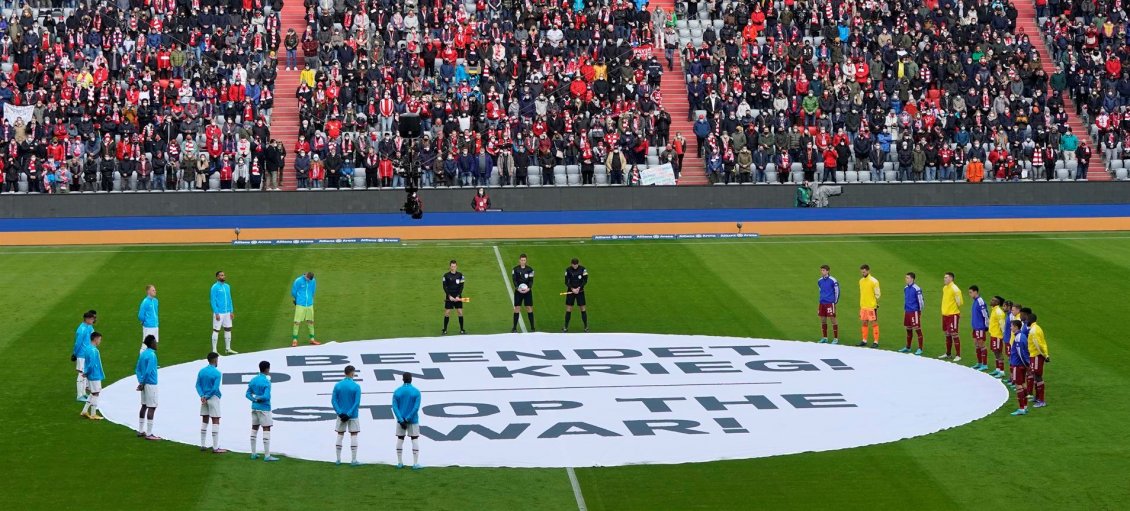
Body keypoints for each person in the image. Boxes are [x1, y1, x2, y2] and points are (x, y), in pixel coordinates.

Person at [247, 360, 278, 461]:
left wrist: (254, 399)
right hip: (264, 408)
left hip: (254, 408)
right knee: (266, 429)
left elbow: (247, 394)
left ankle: (253, 453)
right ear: (267, 369)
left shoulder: (253, 380)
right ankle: (267, 455)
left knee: (254, 428)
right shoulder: (267, 382)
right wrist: (259, 399)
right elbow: (266, 396)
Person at [195, 352, 227, 453]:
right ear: (215, 360)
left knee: (205, 420)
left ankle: (203, 444)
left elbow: (197, 385)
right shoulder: (217, 373)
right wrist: (208, 396)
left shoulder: (201, 371)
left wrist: (202, 396)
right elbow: (215, 388)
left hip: (204, 398)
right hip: (213, 398)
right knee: (215, 420)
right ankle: (215, 447)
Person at [332, 365, 363, 466]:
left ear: (344, 373)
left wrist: (340, 412)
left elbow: (333, 401)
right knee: (353, 435)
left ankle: (338, 459)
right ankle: (353, 460)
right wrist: (349, 413)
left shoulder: (338, 385)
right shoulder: (356, 386)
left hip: (341, 415)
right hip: (353, 415)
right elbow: (356, 402)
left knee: (340, 434)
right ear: (352, 373)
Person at [392, 373, 422, 470]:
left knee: (400, 438)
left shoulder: (397, 391)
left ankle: (400, 462)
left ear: (402, 379)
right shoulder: (416, 392)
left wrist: (401, 420)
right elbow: (416, 408)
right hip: (413, 420)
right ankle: (415, 463)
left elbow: (395, 407)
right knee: (414, 439)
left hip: (401, 420)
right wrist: (408, 418)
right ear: (411, 379)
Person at [135, 335, 161, 440]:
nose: (156, 344)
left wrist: (141, 382)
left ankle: (141, 430)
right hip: (151, 384)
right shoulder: (152, 355)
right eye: (155, 342)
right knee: (152, 407)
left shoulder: (143, 354)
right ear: (151, 343)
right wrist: (143, 382)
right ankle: (149, 434)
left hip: (144, 384)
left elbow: (137, 369)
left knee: (144, 405)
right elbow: (148, 371)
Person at [1024, 309, 1049, 408]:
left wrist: (1045, 355)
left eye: (1027, 320)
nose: (1026, 322)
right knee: (1035, 375)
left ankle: (1041, 400)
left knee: (1038, 376)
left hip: (1037, 355)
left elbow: (1039, 345)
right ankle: (1037, 397)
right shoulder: (1036, 328)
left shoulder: (1034, 331)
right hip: (1035, 355)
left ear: (1031, 320)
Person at [80, 332, 106, 420]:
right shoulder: (94, 350)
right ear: (95, 339)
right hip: (94, 374)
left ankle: (84, 411)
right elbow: (91, 364)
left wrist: (86, 372)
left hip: (91, 374)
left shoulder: (87, 348)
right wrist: (86, 372)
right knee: (96, 393)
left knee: (92, 393)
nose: (100, 341)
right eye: (99, 339)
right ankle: (93, 413)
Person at [938, 272, 963, 361]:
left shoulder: (955, 289)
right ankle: (948, 353)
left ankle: (958, 355)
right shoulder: (945, 288)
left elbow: (960, 302)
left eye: (946, 277)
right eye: (944, 277)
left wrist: (953, 309)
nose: (944, 279)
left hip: (953, 315)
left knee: (954, 334)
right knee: (947, 334)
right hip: (945, 314)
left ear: (951, 278)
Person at [210, 271, 237, 354]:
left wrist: (231, 311)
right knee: (216, 330)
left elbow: (230, 299)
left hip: (227, 312)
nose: (223, 276)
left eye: (224, 275)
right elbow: (213, 301)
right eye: (221, 275)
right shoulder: (214, 287)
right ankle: (214, 350)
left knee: (228, 329)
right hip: (219, 313)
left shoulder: (227, 286)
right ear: (217, 277)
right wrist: (216, 312)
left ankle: (228, 349)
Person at [73, 310, 97, 402]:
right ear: (86, 319)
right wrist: (75, 354)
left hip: (87, 354)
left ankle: (83, 393)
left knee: (85, 374)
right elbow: (77, 343)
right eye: (91, 319)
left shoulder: (89, 326)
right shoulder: (81, 329)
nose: (93, 320)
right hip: (81, 355)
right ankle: (79, 395)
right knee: (81, 374)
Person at [1008, 319, 1030, 416]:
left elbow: (1021, 353)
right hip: (1022, 365)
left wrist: (1026, 364)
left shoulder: (1018, 338)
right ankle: (1025, 407)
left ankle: (1021, 408)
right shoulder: (1023, 336)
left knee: (1018, 385)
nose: (1010, 327)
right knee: (1023, 383)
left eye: (1012, 326)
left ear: (1016, 327)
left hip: (1018, 364)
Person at [291, 272, 319, 347]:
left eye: (310, 280)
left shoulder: (313, 280)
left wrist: (310, 299)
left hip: (309, 304)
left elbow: (313, 290)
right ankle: (294, 340)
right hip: (300, 304)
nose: (309, 281)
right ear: (306, 276)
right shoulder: (298, 280)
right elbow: (293, 292)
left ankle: (312, 339)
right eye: (308, 280)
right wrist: (298, 300)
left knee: (311, 322)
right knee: (297, 322)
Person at [900, 273, 925, 355]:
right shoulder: (905, 288)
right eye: (906, 277)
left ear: (912, 279)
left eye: (907, 278)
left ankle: (920, 348)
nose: (906, 279)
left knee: (917, 329)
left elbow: (921, 301)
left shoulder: (917, 289)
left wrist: (919, 311)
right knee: (908, 329)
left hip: (914, 312)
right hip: (907, 311)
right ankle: (908, 347)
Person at [563, 258, 589, 332]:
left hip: (580, 292)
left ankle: (586, 326)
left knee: (582, 308)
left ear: (578, 263)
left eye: (576, 265)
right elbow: (566, 282)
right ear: (571, 264)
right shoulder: (568, 270)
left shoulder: (583, 269)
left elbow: (585, 280)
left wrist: (579, 288)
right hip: (571, 292)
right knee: (569, 309)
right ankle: (565, 327)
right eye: (573, 265)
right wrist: (572, 289)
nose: (575, 266)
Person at [857, 264, 880, 348]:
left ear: (868, 271)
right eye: (861, 272)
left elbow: (878, 294)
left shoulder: (874, 281)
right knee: (864, 322)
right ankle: (864, 340)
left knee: (874, 323)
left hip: (871, 306)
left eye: (864, 272)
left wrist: (876, 304)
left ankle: (876, 341)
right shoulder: (861, 281)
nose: (863, 273)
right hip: (863, 306)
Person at [512, 253, 536, 332]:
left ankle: (532, 327)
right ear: (519, 260)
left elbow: (531, 280)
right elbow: (514, 280)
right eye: (521, 260)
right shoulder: (515, 269)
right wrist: (517, 288)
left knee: (529, 308)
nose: (523, 261)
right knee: (517, 308)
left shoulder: (530, 269)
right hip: (518, 291)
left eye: (524, 260)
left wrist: (529, 288)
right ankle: (514, 328)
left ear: (526, 261)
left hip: (527, 291)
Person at [816, 265, 839, 344]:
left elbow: (837, 291)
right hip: (822, 303)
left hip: (830, 303)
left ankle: (836, 338)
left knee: (833, 319)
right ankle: (825, 338)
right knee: (823, 320)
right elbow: (820, 290)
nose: (822, 272)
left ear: (827, 271)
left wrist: (834, 302)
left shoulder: (833, 280)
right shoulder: (819, 281)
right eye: (821, 270)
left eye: (823, 270)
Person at [442, 260, 466, 335]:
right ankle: (444, 330)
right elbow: (444, 287)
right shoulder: (445, 276)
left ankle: (462, 329)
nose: (453, 268)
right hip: (449, 297)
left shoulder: (461, 275)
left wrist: (458, 296)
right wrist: (450, 296)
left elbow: (462, 286)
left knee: (460, 312)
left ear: (456, 266)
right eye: (452, 266)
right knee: (447, 313)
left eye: (454, 266)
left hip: (458, 297)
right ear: (450, 266)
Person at [969, 286, 990, 371]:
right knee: (976, 345)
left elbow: (985, 314)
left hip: (980, 327)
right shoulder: (975, 301)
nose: (969, 294)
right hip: (975, 327)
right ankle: (979, 363)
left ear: (975, 292)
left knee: (981, 345)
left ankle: (985, 364)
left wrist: (986, 326)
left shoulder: (980, 301)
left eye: (970, 292)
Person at [987, 296, 1008, 378]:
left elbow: (1002, 325)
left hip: (997, 336)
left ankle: (1002, 371)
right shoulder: (994, 310)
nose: (991, 301)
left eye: (994, 300)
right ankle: (998, 369)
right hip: (993, 335)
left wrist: (1002, 335)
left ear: (998, 302)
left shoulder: (999, 312)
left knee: (998, 352)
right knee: (995, 352)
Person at [138, 285, 159, 353]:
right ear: (148, 291)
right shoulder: (145, 302)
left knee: (153, 345)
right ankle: (141, 361)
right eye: (153, 290)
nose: (155, 291)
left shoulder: (156, 301)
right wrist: (145, 322)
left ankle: (151, 361)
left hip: (155, 326)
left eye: (155, 290)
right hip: (149, 327)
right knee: (145, 346)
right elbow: (140, 315)